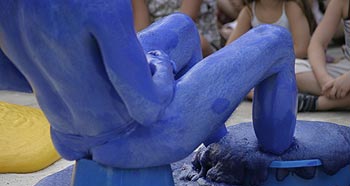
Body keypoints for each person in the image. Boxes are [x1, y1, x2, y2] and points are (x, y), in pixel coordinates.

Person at [0, 0, 296, 168]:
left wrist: (66, 78)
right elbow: (147, 108)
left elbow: (10, 76)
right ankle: (275, 151)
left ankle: (218, 149)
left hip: (68, 135)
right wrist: (160, 66)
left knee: (182, 26)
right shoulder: (100, 5)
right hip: (139, 138)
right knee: (276, 39)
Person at [296, 0, 350, 111]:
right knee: (291, 69)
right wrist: (324, 80)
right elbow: (317, 44)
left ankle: (321, 103)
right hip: (345, 68)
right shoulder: (342, 2)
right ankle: (337, 93)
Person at [131, 0, 220, 57]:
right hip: (156, 40)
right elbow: (143, 29)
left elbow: (184, 24)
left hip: (194, 35)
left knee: (197, 42)